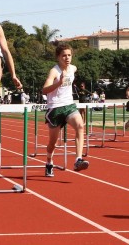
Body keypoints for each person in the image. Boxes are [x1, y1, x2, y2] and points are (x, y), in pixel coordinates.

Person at [42, 43, 89, 177]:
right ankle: (49, 162)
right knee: (53, 143)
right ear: (58, 57)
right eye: (64, 56)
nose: (67, 58)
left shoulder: (73, 68)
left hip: (69, 105)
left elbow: (73, 70)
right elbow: (44, 90)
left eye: (69, 55)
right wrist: (58, 83)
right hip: (55, 108)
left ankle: (78, 160)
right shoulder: (54, 71)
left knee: (80, 125)